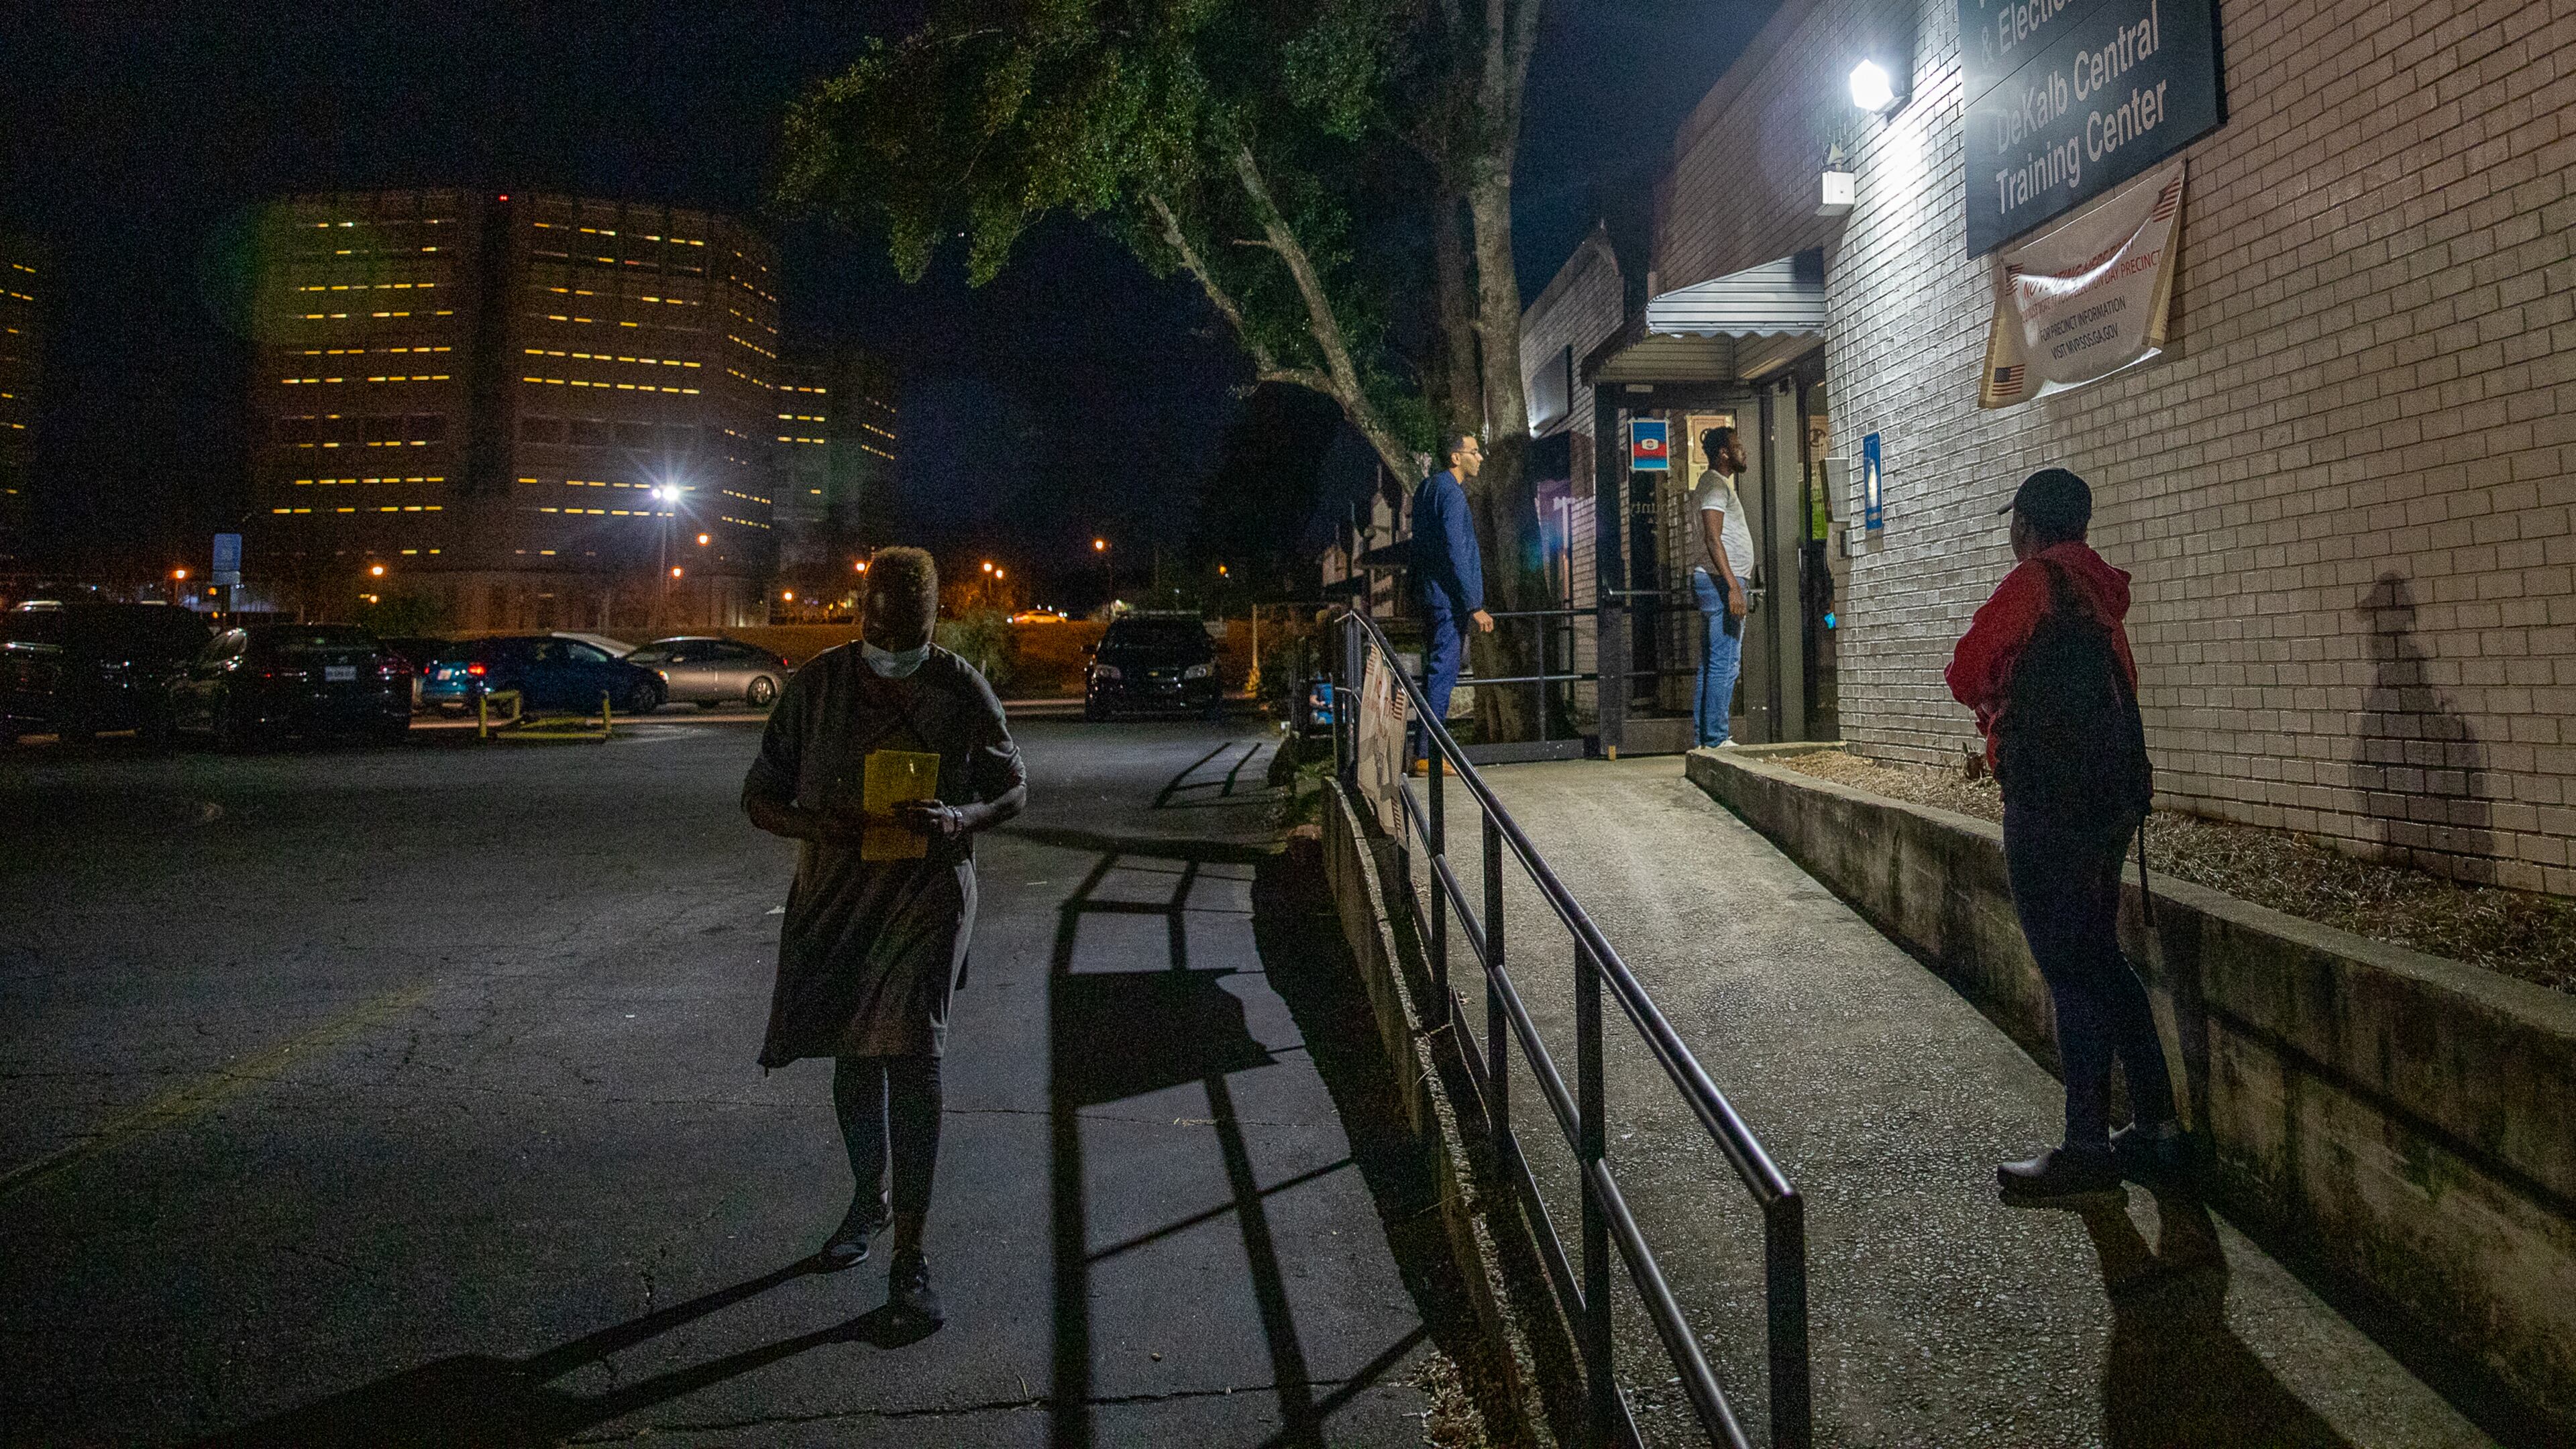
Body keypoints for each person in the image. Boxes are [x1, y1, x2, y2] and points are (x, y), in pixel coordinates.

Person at [742, 546, 1028, 1324]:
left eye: (910, 639)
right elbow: (758, 797)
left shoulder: (960, 687)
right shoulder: (817, 687)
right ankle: (868, 1198)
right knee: (854, 1053)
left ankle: (911, 1254)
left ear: (934, 624)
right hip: (837, 895)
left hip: (926, 895)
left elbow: (1013, 789)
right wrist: (817, 825)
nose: (893, 652)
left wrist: (959, 817)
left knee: (913, 1055)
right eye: (880, 635)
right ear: (859, 616)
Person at [1947, 468, 2184, 1199]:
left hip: (2049, 798)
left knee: (2069, 966)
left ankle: (2087, 1152)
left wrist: (2000, 704)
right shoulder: (2100, 590)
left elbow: (1964, 671)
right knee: (2101, 957)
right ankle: (2159, 1132)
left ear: (2026, 524)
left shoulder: (2034, 583)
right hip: (2110, 799)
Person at [1407, 431, 1494, 771]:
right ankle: (1428, 755)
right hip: (1447, 600)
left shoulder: (1426, 489)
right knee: (1443, 675)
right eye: (1474, 452)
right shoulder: (1453, 495)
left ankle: (1423, 750)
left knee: (1434, 674)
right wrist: (1475, 604)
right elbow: (1457, 550)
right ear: (1456, 457)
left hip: (1428, 595)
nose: (1480, 458)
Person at [1692, 426, 1755, 748]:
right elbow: (1713, 538)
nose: (1744, 451)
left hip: (1716, 580)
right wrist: (1733, 586)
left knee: (1712, 663)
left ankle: (1705, 739)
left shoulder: (1713, 484)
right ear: (1724, 453)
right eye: (1738, 446)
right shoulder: (1716, 485)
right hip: (1720, 582)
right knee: (1725, 663)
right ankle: (1716, 739)